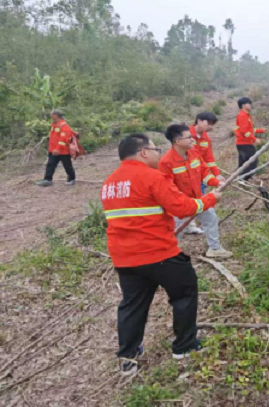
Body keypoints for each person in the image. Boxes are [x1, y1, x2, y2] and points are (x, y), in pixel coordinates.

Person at [101, 133, 221, 376]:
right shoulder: (152, 177)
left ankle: (128, 357)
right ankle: (184, 346)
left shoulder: (110, 184)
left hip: (124, 257)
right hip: (158, 253)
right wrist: (210, 199)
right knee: (185, 291)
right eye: (156, 149)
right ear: (143, 152)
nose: (159, 154)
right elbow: (183, 207)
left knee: (132, 304)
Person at [159, 124, 233, 259]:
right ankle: (170, 257)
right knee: (175, 232)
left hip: (198, 199)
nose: (192, 139)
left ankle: (214, 248)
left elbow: (204, 173)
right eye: (188, 137)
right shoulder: (166, 163)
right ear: (178, 141)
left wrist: (217, 182)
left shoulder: (194, 153)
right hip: (179, 206)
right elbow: (169, 190)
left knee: (211, 218)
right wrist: (185, 204)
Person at [188, 112, 226, 233]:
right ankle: (188, 225)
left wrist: (217, 174)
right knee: (188, 198)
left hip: (200, 174)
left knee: (200, 196)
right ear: (199, 121)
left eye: (212, 124)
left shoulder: (206, 138)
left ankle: (193, 223)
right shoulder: (186, 135)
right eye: (208, 123)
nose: (210, 126)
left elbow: (209, 158)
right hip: (187, 175)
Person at [36, 109, 76, 187]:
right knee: (50, 164)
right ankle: (47, 180)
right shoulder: (54, 125)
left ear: (56, 115)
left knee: (67, 166)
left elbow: (63, 139)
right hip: (53, 150)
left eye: (52, 114)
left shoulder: (64, 126)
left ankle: (71, 179)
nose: (51, 116)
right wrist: (52, 149)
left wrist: (57, 149)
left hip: (63, 151)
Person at [234, 97, 268, 181]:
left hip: (242, 143)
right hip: (245, 143)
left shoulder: (246, 116)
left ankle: (240, 178)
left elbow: (249, 129)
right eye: (248, 103)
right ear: (243, 105)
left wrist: (261, 130)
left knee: (244, 162)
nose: (250, 105)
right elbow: (244, 130)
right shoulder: (242, 115)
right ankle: (243, 178)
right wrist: (255, 139)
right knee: (253, 162)